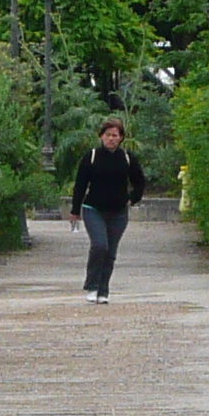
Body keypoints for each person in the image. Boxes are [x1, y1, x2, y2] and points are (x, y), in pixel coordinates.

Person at [67, 119, 146, 303]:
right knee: (99, 245)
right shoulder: (92, 156)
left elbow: (140, 182)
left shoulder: (127, 158)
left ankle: (103, 291)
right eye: (108, 135)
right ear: (101, 136)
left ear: (121, 138)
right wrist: (75, 210)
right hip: (93, 209)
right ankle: (92, 285)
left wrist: (131, 199)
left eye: (115, 135)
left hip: (118, 212)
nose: (111, 139)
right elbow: (80, 184)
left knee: (110, 252)